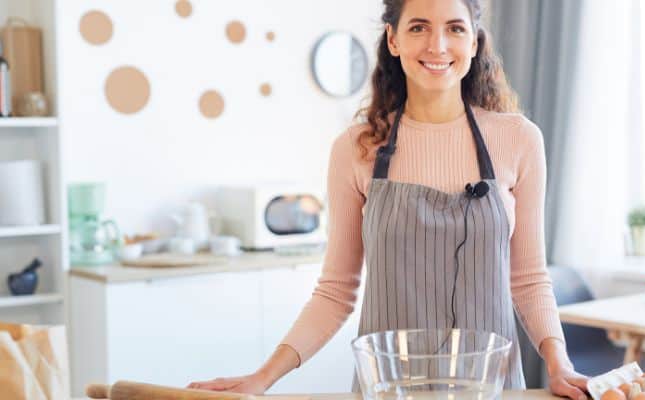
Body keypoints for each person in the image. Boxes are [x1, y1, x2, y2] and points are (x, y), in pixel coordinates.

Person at [189, 0, 589, 398]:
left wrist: (559, 363)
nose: (437, 45)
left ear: (473, 42)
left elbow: (528, 279)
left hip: (486, 387)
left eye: (454, 28)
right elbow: (335, 291)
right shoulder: (356, 149)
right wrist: (263, 377)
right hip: (388, 389)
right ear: (393, 40)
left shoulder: (518, 139)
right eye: (418, 28)